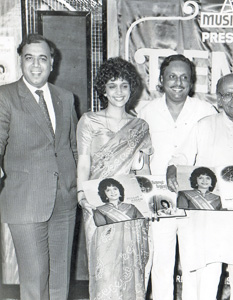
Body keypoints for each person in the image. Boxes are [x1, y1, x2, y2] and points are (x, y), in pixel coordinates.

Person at [138, 54, 233, 300]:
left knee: (196, 266)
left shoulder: (205, 110)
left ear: (192, 82)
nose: (178, 83)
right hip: (160, 198)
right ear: (161, 79)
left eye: (185, 77)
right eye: (172, 77)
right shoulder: (146, 112)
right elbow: (139, 160)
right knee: (161, 263)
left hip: (196, 202)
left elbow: (232, 120)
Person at [167, 73, 233, 300]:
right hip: (208, 218)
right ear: (219, 99)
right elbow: (181, 156)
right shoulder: (204, 125)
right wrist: (173, 168)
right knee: (207, 285)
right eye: (227, 94)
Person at [0, 34, 78, 300]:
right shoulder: (5, 96)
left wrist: (77, 188)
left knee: (59, 280)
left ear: (52, 63)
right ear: (20, 61)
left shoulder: (65, 98)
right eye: (29, 58)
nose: (36, 65)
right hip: (25, 201)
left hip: (64, 201)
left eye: (42, 58)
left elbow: (72, 147)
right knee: (35, 282)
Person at [77, 57, 153, 299]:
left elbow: (144, 170)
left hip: (130, 207)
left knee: (132, 269)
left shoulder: (140, 126)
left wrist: (151, 202)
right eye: (112, 85)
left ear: (131, 88)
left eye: (124, 85)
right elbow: (84, 160)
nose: (118, 92)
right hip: (97, 203)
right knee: (104, 270)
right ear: (103, 90)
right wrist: (81, 194)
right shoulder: (90, 121)